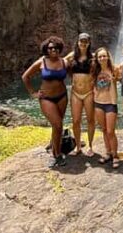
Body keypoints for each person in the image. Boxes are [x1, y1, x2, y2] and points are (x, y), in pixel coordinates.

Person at [21, 36, 68, 168]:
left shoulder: (64, 62)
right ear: (46, 49)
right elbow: (25, 76)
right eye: (50, 48)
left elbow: (74, 71)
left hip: (62, 96)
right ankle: (56, 155)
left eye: (56, 48)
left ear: (59, 48)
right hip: (47, 98)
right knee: (57, 125)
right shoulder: (41, 62)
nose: (53, 50)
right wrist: (33, 93)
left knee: (58, 125)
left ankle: (54, 144)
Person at [64, 33, 96, 156]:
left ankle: (91, 146)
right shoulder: (72, 56)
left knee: (90, 120)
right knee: (76, 121)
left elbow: (105, 65)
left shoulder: (93, 57)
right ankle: (78, 146)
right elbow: (60, 62)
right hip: (75, 93)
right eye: (81, 41)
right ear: (77, 42)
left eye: (85, 42)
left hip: (89, 93)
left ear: (89, 43)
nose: (83, 43)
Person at [91, 47, 120, 168]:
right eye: (100, 56)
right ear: (97, 59)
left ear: (108, 57)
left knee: (110, 131)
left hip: (110, 104)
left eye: (104, 56)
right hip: (98, 103)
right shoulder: (94, 71)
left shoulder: (114, 69)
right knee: (103, 129)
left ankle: (115, 155)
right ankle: (108, 153)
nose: (102, 58)